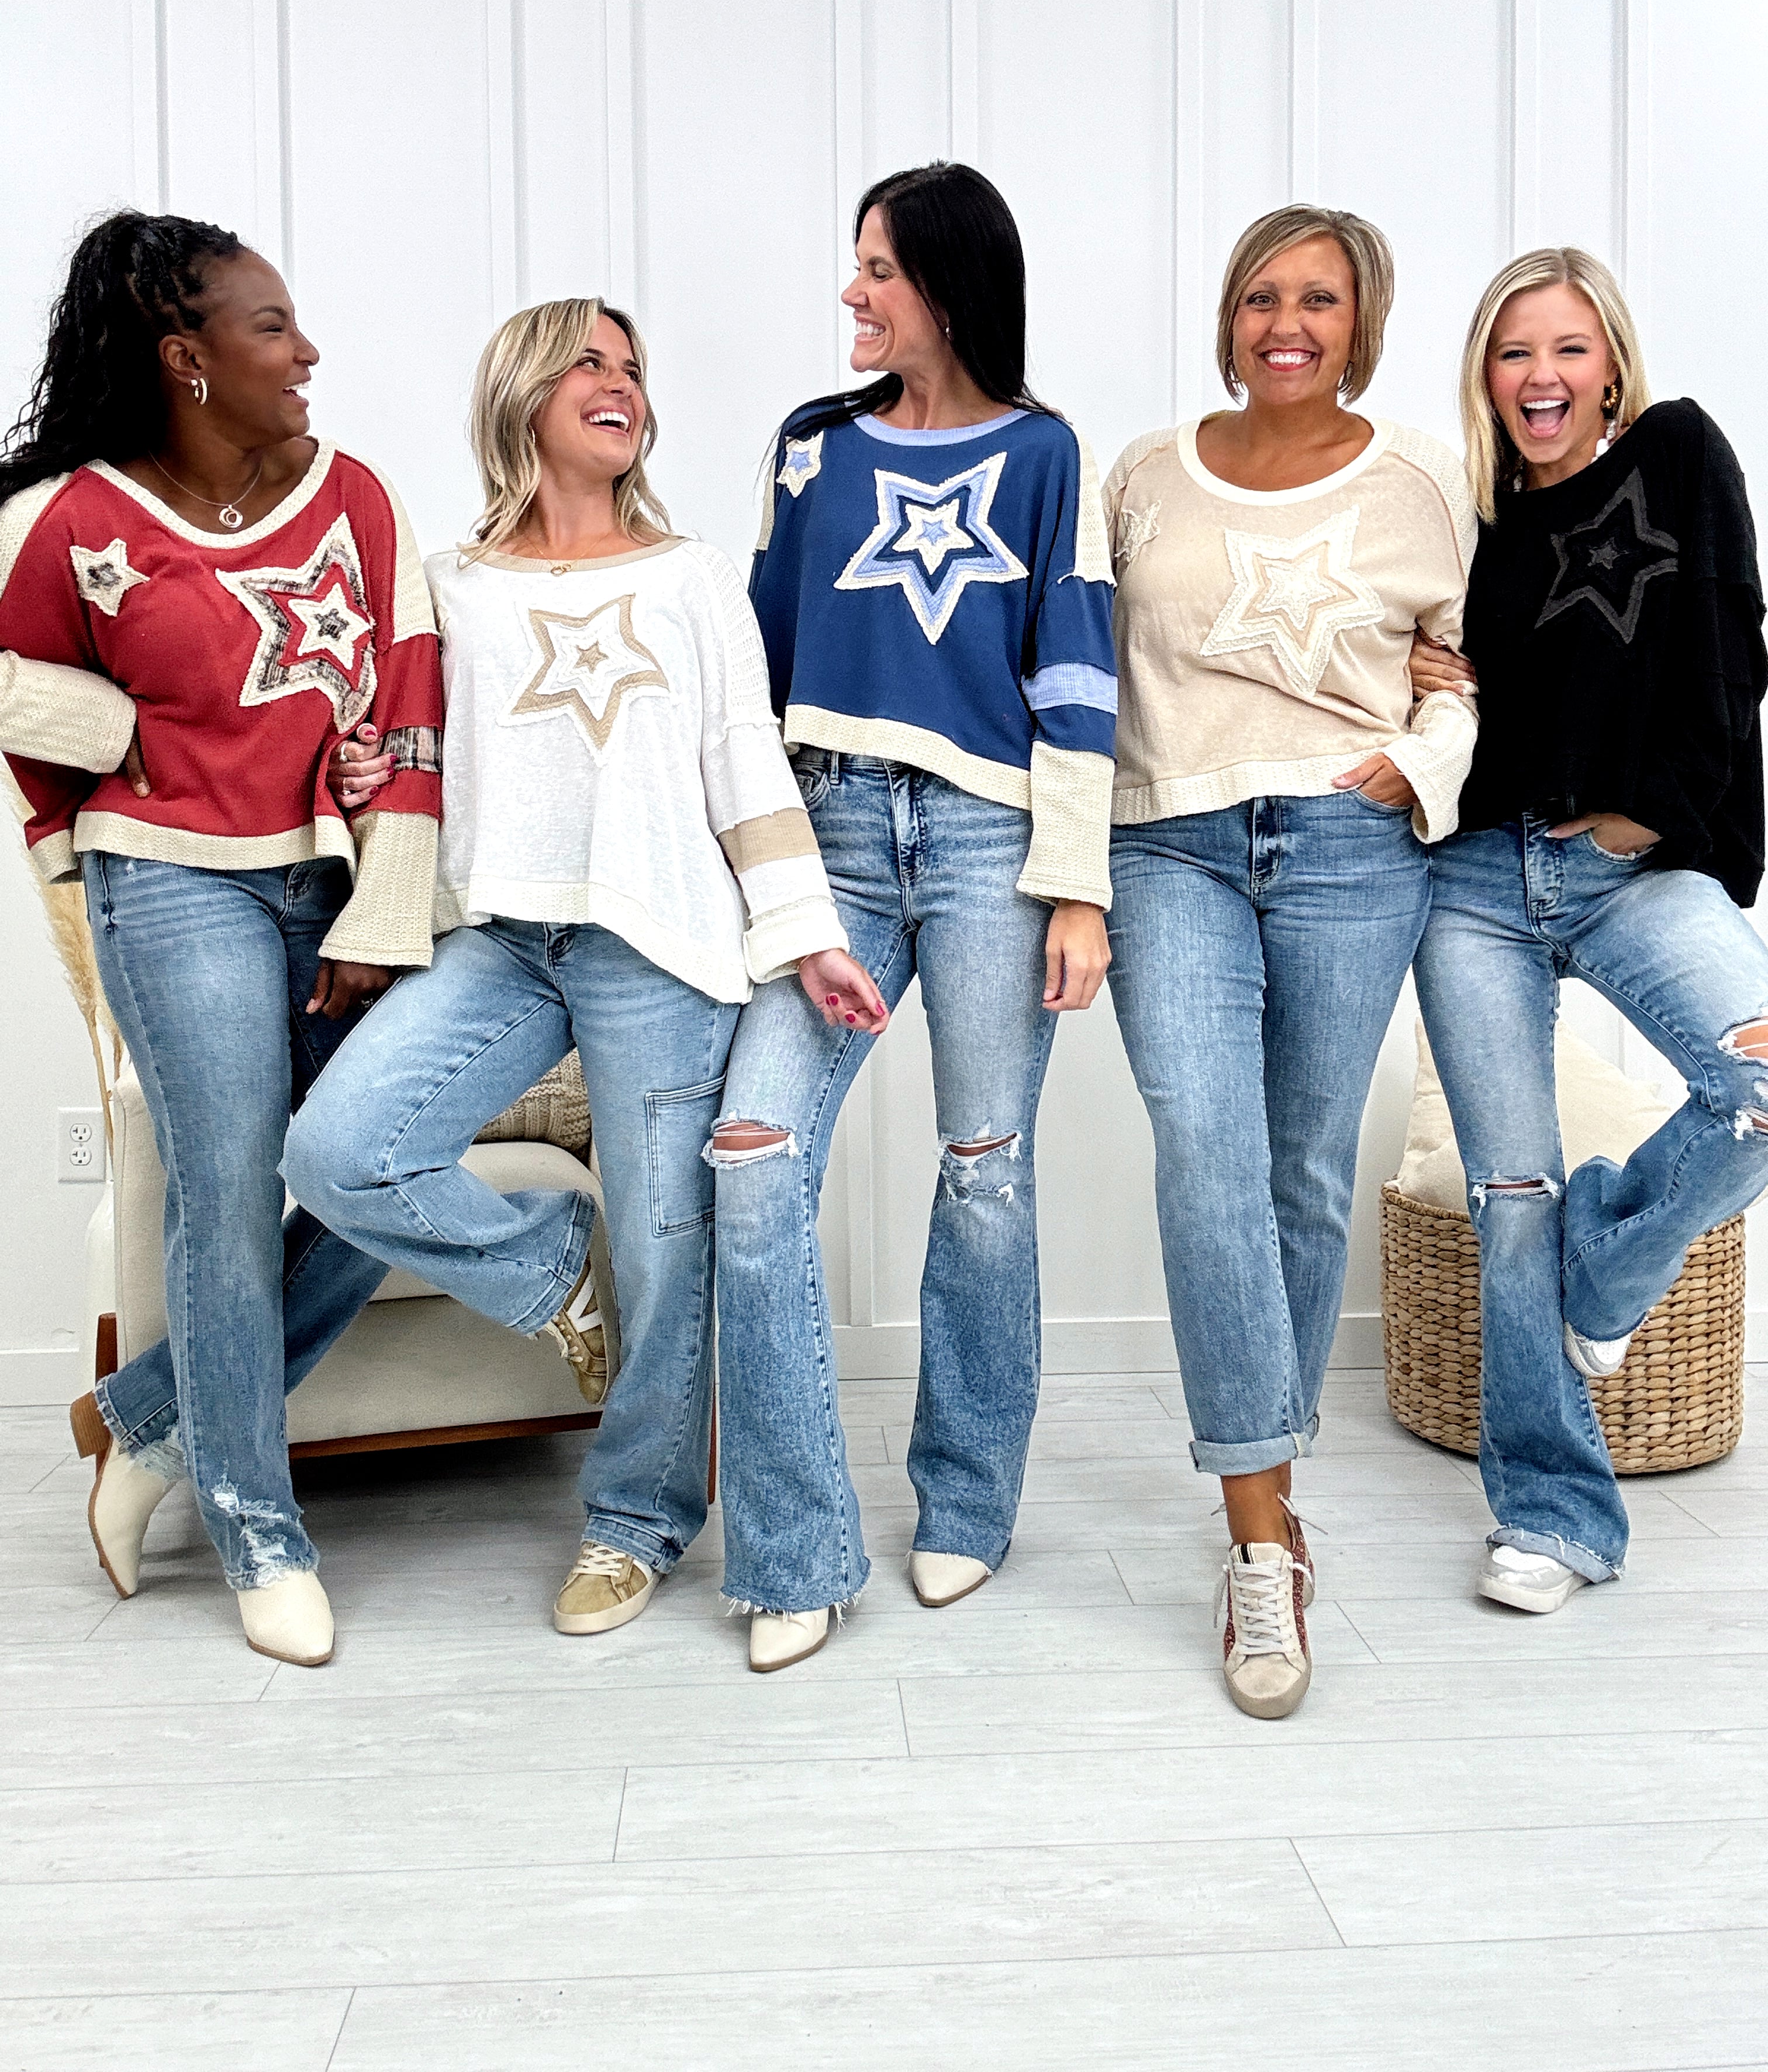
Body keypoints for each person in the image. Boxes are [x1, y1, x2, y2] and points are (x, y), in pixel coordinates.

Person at [284, 298, 879, 1636]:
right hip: (497, 937)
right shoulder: (449, 584)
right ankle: (554, 1272)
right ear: (525, 392)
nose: (621, 385)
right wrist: (365, 772)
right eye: (588, 364)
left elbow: (744, 763)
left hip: (659, 942)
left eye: (633, 368)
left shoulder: (692, 575)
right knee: (341, 1148)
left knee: (668, 1258)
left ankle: (634, 1525)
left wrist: (806, 932)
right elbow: (407, 756)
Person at [0, 209, 443, 1667]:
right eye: (271, 328)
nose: (307, 351)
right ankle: (260, 1528)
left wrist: (388, 904)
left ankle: (147, 1420)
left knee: (378, 1162)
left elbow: (413, 709)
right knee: (229, 1193)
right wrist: (108, 722)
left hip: (332, 883)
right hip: (168, 879)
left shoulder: (356, 497)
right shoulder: (70, 520)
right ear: (184, 358)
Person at [708, 160, 1117, 1674]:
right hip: (828, 833)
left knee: (985, 1173)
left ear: (948, 281)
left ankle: (968, 1499)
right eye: (857, 264)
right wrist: (751, 868)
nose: (854, 293)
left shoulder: (1047, 451)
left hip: (992, 841)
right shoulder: (812, 448)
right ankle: (796, 1546)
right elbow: (754, 665)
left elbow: (1077, 668)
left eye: (878, 267)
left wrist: (1078, 883)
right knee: (754, 1155)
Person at [1101, 204, 1477, 1718]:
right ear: (1229, 316)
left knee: (1305, 1174)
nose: (1286, 325)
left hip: (1349, 845)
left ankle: (1268, 1496)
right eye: (1262, 297)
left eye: (1319, 300)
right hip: (1165, 843)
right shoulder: (1143, 474)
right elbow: (1082, 662)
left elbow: (1472, 672)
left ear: (1361, 323)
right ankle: (1263, 1537)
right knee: (1206, 1152)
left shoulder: (1421, 484)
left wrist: (1415, 766)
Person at [1407, 246, 1768, 1613]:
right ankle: (1554, 1520)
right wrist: (1426, 670)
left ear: (1611, 364)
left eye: (1567, 348)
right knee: (1512, 1199)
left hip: (1632, 870)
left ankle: (1605, 1271)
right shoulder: (1464, 525)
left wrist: (1652, 819)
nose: (1541, 376)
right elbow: (1437, 699)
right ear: (1485, 377)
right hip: (1475, 887)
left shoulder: (1677, 453)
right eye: (1515, 353)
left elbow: (1732, 644)